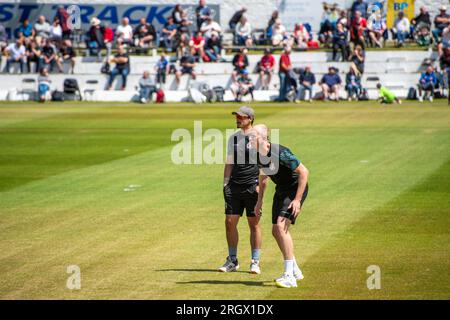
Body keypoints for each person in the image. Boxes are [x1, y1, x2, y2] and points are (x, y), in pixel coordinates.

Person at [251, 124, 309, 288]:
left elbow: (304, 172)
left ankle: (289, 276)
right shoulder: (257, 155)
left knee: (280, 227)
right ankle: (296, 270)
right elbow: (263, 178)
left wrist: (297, 200)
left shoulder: (280, 152)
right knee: (276, 232)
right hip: (282, 190)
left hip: (294, 189)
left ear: (262, 138)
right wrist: (259, 201)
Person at [219, 106, 262, 275]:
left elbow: (264, 163)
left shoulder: (259, 137)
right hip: (234, 186)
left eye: (241, 117)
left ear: (250, 119)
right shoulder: (234, 138)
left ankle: (255, 261)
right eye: (236, 116)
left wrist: (260, 185)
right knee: (229, 223)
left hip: (252, 185)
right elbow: (229, 162)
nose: (237, 119)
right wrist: (225, 184)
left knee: (254, 224)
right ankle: (232, 260)